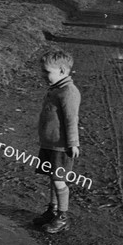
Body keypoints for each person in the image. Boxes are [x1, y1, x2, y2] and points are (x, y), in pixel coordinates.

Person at [33, 49, 81, 233]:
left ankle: (62, 216)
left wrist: (73, 143)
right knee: (53, 179)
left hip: (61, 147)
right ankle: (52, 210)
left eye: (47, 72)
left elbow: (71, 119)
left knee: (59, 181)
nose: (43, 75)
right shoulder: (56, 88)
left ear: (62, 71)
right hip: (50, 144)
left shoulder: (69, 92)